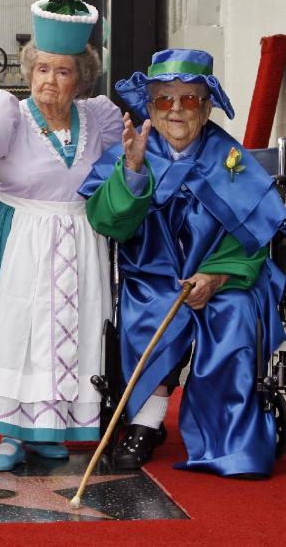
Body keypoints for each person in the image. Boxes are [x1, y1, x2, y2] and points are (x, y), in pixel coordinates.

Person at [80, 49, 286, 478]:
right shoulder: (134, 150)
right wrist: (132, 173)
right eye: (164, 100)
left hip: (222, 281)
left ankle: (227, 434)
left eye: (189, 100)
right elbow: (107, 223)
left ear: (207, 107)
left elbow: (252, 239)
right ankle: (147, 421)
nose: (176, 110)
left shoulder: (228, 159)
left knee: (234, 314)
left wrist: (216, 276)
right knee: (150, 309)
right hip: (152, 278)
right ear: (149, 105)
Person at [0, 0, 122, 471]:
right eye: (42, 68)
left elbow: (117, 175)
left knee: (75, 328)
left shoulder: (100, 117)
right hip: (19, 236)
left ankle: (52, 428)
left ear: (80, 78)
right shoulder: (9, 111)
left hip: (80, 239)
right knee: (16, 332)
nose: (50, 79)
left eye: (62, 71)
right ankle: (10, 435)